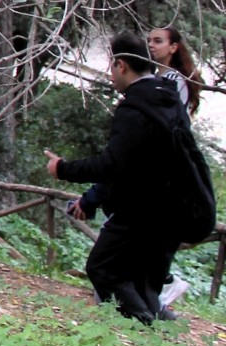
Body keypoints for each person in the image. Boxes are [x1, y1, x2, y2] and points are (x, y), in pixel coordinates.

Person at [48, 32, 215, 323]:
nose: (110, 76)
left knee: (103, 269)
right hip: (174, 208)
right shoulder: (167, 98)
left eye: (112, 67)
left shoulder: (137, 107)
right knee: (144, 283)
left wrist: (63, 169)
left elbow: (115, 164)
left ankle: (144, 328)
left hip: (145, 210)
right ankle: (156, 341)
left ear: (122, 65)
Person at [149, 25, 203, 114]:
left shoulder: (174, 79)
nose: (150, 45)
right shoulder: (154, 77)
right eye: (149, 41)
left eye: (157, 41)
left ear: (173, 47)